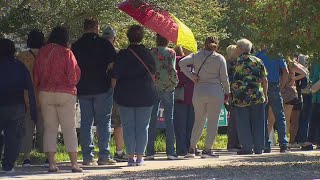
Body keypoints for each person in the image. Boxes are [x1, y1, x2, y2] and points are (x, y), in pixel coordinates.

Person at [33, 26, 82, 172]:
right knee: (69, 128)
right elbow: (73, 76)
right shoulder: (67, 53)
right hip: (65, 93)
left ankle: (52, 164)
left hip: (45, 92)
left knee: (50, 129)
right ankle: (74, 164)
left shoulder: (42, 52)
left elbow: (36, 74)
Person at [72, 18, 117, 165]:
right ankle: (104, 156)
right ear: (97, 28)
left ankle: (87, 157)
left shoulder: (76, 46)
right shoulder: (105, 44)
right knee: (104, 122)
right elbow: (112, 66)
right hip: (102, 88)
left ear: (84, 28)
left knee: (86, 122)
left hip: (83, 88)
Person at [112, 25, 157, 166]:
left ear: (128, 36)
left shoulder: (123, 54)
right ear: (142, 37)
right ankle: (140, 157)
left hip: (125, 95)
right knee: (143, 127)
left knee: (128, 126)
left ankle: (130, 157)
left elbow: (115, 75)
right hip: (145, 95)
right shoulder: (148, 54)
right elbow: (154, 71)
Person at [180, 37, 230, 158]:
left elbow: (181, 63)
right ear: (216, 45)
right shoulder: (219, 58)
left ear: (204, 44)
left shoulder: (196, 56)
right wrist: (227, 93)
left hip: (199, 91)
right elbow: (224, 78)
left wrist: (192, 76)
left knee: (199, 120)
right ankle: (207, 150)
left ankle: (192, 148)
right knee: (213, 122)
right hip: (215, 91)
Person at [0, 38, 37, 172]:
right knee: (13, 137)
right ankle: (8, 165)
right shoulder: (19, 66)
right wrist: (32, 109)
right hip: (16, 105)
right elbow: (30, 88)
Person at [230, 39, 268, 155]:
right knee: (258, 122)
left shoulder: (235, 62)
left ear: (241, 48)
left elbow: (230, 79)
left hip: (240, 97)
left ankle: (247, 148)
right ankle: (259, 148)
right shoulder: (258, 61)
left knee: (243, 123)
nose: (236, 49)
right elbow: (264, 80)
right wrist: (266, 95)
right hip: (256, 95)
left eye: (237, 47)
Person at [16, 30, 48, 167]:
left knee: (27, 127)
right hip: (44, 95)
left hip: (26, 97)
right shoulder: (46, 55)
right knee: (45, 127)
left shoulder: (21, 56)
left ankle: (26, 158)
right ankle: (48, 156)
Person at [146, 34, 179, 160]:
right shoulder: (171, 52)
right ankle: (170, 151)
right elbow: (173, 68)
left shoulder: (151, 51)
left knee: (151, 119)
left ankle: (150, 152)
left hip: (154, 86)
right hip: (168, 87)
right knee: (169, 119)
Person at [256, 46, 290, 153]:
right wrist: (282, 85)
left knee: (263, 117)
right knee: (279, 116)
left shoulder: (257, 56)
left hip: (262, 86)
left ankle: (266, 144)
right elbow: (286, 71)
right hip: (275, 86)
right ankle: (283, 144)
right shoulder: (277, 55)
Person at [102, 26, 128, 162]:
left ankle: (102, 152)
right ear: (114, 38)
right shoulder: (118, 53)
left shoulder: (96, 51)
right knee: (118, 123)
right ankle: (118, 151)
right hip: (115, 91)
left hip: (98, 90)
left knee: (102, 122)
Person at [173, 46, 195, 156]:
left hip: (180, 96)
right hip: (193, 95)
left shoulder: (176, 60)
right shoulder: (195, 62)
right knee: (191, 124)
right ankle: (190, 147)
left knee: (180, 124)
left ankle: (181, 149)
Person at [225, 45, 241, 151]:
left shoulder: (231, 62)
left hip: (233, 92)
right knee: (234, 119)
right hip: (232, 93)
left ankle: (235, 142)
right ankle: (232, 144)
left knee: (236, 118)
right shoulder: (229, 64)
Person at [306, 60, 320, 148]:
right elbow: (311, 77)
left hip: (316, 94)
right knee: (314, 119)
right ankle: (313, 141)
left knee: (314, 119)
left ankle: (311, 141)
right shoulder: (315, 62)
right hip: (316, 96)